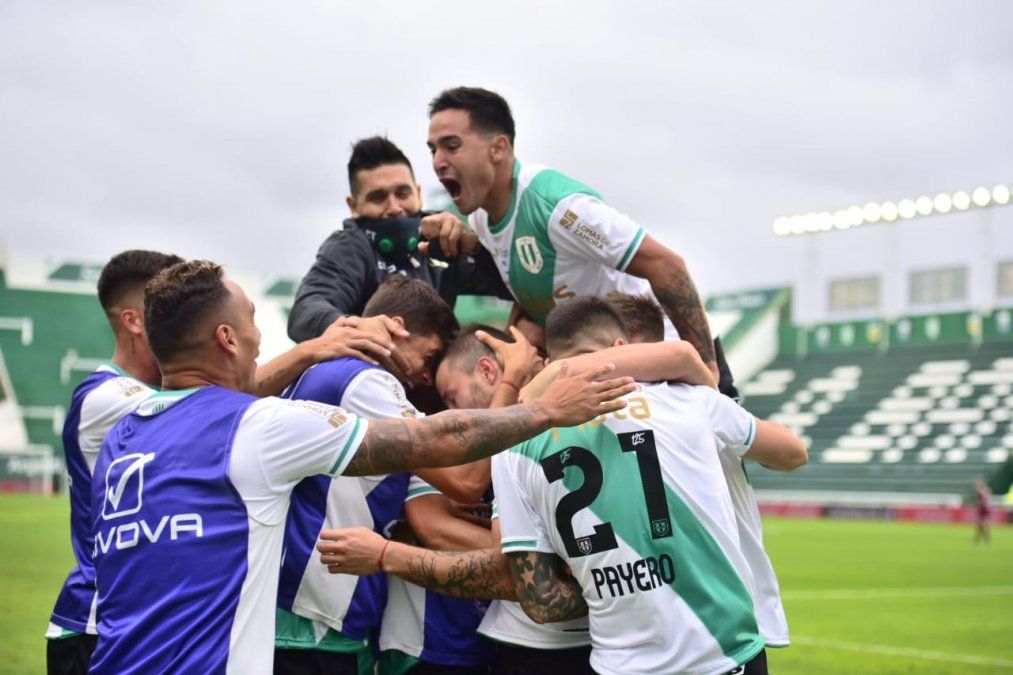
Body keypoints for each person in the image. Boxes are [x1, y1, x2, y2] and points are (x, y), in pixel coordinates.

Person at [87, 260, 633, 674]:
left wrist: (309, 352)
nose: (260, 338)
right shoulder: (290, 410)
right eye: (252, 321)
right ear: (226, 338)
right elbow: (454, 456)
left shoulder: (126, 434)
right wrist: (540, 407)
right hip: (306, 627)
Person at [320, 297, 807, 675]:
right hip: (720, 653)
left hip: (614, 661)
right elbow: (792, 453)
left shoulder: (517, 445)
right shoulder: (689, 402)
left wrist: (603, 580)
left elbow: (535, 594)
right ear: (623, 353)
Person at [45, 250, 415, 675]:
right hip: (93, 617)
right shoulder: (106, 399)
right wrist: (315, 349)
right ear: (136, 320)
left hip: (136, 617)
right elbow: (211, 404)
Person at [423, 86, 718, 380]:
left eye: (452, 146)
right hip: (603, 370)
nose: (438, 162)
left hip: (663, 365)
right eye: (433, 149)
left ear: (498, 148)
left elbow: (667, 265)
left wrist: (708, 370)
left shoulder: (558, 207)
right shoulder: (480, 218)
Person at [275, 276, 485, 674]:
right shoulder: (365, 381)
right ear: (398, 327)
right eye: (429, 356)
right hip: (315, 615)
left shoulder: (320, 372)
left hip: (303, 605)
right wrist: (514, 388)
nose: (427, 375)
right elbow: (465, 481)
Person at [288, 136, 512, 346]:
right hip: (376, 371)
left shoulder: (442, 237)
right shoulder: (349, 248)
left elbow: (514, 287)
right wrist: (362, 328)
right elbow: (304, 312)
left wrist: (474, 247)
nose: (395, 208)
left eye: (402, 194)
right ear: (354, 206)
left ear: (418, 193)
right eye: (378, 198)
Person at [973, 479, 992, 544]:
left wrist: (978, 504)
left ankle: (982, 538)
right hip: (985, 510)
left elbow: (982, 502)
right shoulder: (986, 491)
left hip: (983, 510)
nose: (975, 488)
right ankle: (983, 538)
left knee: (981, 525)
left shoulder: (981, 492)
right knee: (981, 525)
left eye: (976, 486)